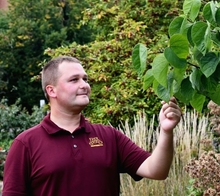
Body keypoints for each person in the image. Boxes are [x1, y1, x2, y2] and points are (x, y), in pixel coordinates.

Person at [3, 56, 181, 196]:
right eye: (74, 80)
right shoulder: (26, 144)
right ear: (52, 91)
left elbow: (156, 170)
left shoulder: (109, 136)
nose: (85, 85)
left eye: (85, 79)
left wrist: (166, 131)